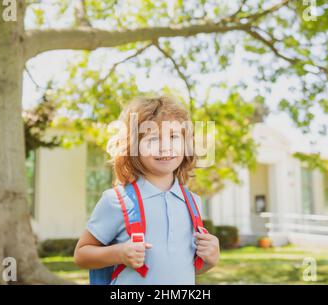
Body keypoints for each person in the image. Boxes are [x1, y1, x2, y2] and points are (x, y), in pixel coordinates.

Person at [74, 95, 220, 284]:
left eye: (174, 137)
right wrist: (119, 253)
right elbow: (81, 255)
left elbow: (185, 268)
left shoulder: (193, 203)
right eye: (153, 139)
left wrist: (211, 259)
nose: (165, 147)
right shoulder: (117, 200)